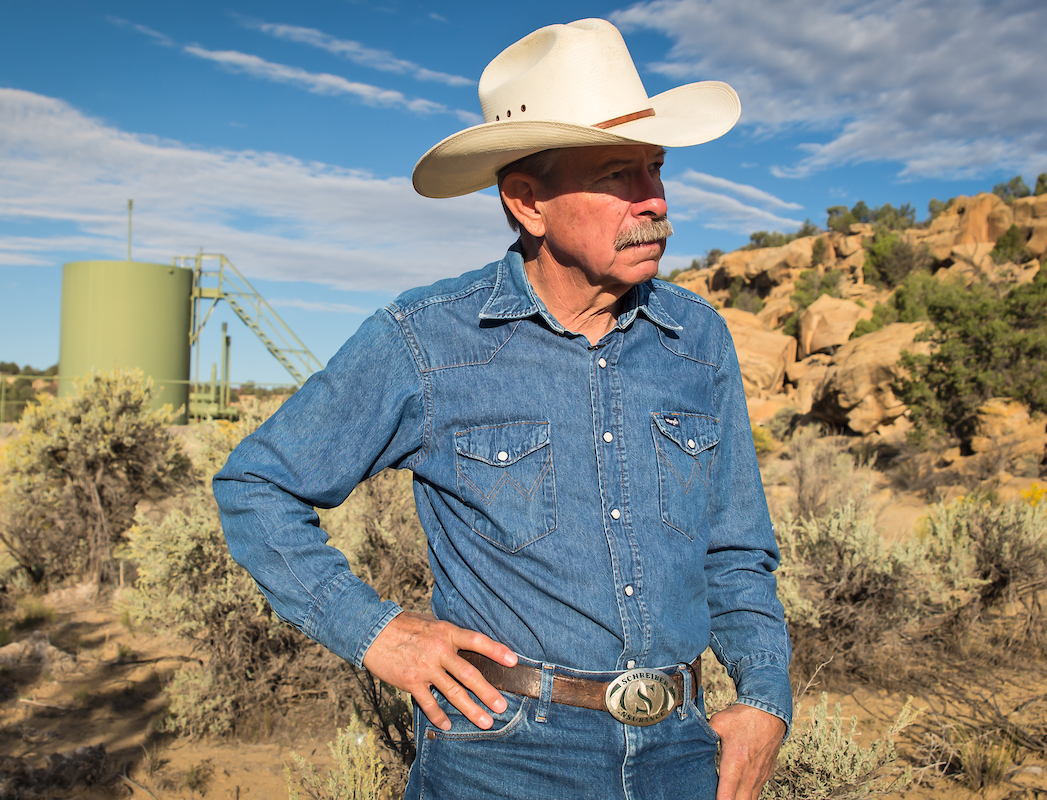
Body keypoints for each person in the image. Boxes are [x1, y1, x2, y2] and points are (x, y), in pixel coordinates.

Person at [214, 18, 791, 800]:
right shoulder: (426, 340)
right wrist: (375, 632)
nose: (653, 200)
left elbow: (735, 550)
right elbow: (258, 485)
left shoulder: (697, 339)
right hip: (504, 758)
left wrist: (763, 701)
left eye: (655, 169)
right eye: (618, 174)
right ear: (527, 202)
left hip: (685, 756)